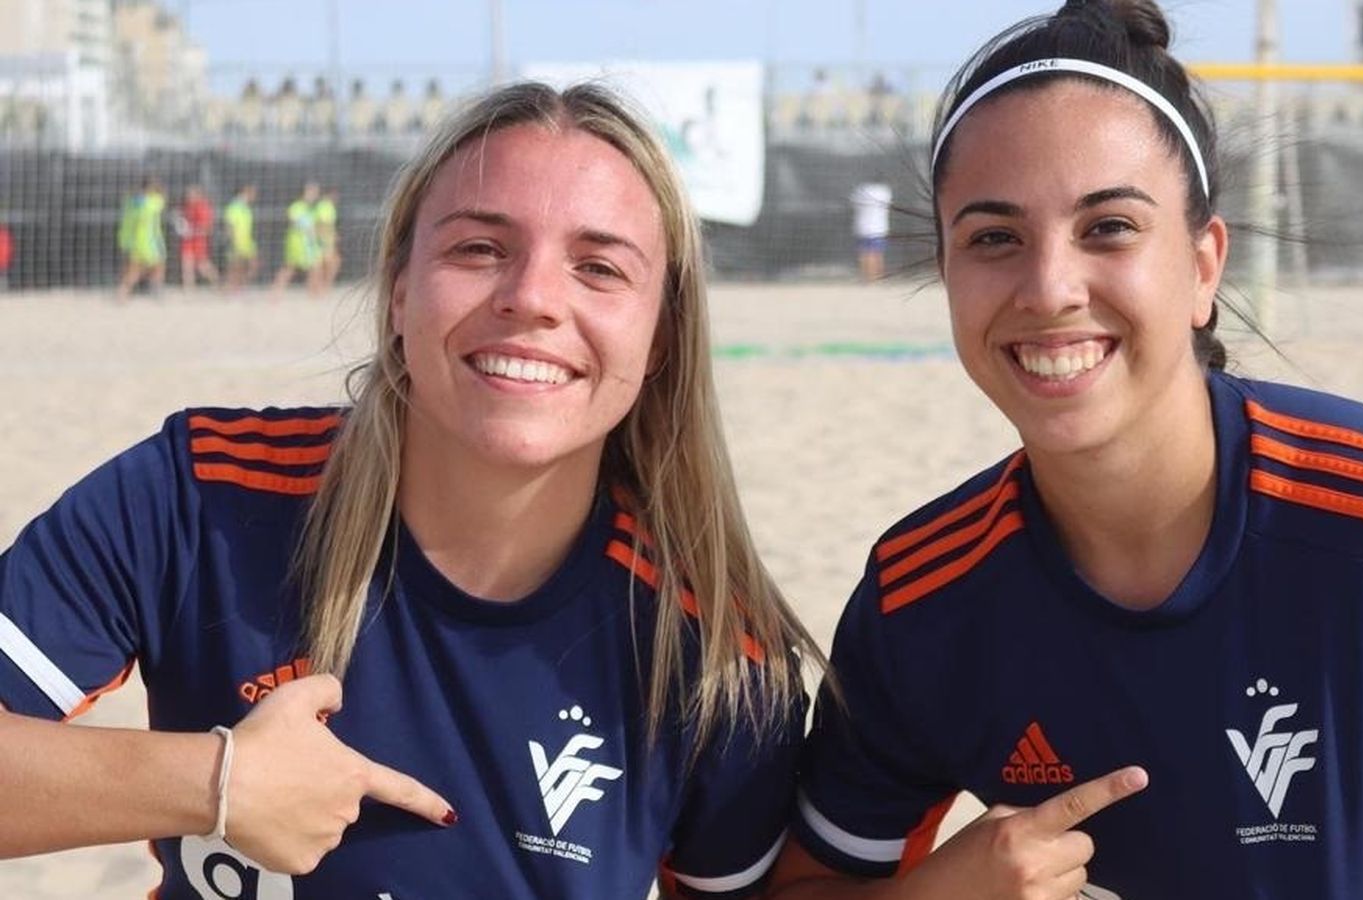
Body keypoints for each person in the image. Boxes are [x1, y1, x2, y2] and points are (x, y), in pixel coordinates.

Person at [767, 2, 1363, 898]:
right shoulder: (922, 604)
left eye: (1109, 227)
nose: (1049, 288)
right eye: (994, 238)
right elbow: (810, 882)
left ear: (1204, 266)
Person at [0, 80, 819, 898]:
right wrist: (213, 782)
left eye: (598, 267)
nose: (531, 298)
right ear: (398, 290)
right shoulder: (200, 496)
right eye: (479, 249)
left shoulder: (718, 658)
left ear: (662, 336)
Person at [116, 177, 166, 299]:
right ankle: (156, 290)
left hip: (133, 240)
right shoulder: (153, 201)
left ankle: (123, 292)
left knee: (134, 269)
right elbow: (162, 198)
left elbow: (128, 201)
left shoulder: (130, 201)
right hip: (150, 241)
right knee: (158, 266)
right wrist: (158, 190)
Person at [271, 181, 323, 295]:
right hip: (297, 243)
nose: (314, 195)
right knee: (289, 269)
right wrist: (310, 230)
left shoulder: (311, 209)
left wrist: (317, 236)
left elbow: (315, 227)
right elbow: (294, 221)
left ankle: (314, 294)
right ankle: (275, 293)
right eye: (312, 191)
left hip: (310, 244)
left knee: (315, 268)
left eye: (316, 192)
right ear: (304, 192)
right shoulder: (296, 206)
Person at [176, 184, 221, 292]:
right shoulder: (186, 206)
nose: (189, 197)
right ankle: (189, 290)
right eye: (188, 195)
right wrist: (179, 222)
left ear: (198, 195)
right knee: (186, 265)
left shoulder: (204, 207)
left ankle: (217, 283)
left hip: (198, 242)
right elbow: (182, 221)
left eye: (191, 195)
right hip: (187, 241)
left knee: (203, 266)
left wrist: (192, 231)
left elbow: (207, 228)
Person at [849, 182, 892, 282]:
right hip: (879, 228)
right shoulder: (885, 191)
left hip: (863, 227)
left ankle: (867, 277)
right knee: (877, 253)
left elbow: (853, 202)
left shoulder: (860, 190)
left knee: (865, 253)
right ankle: (877, 277)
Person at [223, 184, 260, 290]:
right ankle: (229, 289)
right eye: (253, 192)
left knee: (253, 265)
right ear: (245, 191)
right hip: (236, 242)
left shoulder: (246, 207)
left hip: (247, 242)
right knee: (235, 268)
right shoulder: (234, 207)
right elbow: (229, 225)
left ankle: (238, 287)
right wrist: (231, 241)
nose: (255, 195)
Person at [314, 185, 341, 289]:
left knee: (330, 263)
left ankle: (323, 286)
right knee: (324, 265)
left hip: (327, 241)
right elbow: (320, 224)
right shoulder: (324, 206)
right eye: (335, 195)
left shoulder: (329, 207)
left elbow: (328, 224)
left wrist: (334, 234)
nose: (337, 198)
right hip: (322, 241)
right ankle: (322, 286)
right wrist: (321, 239)